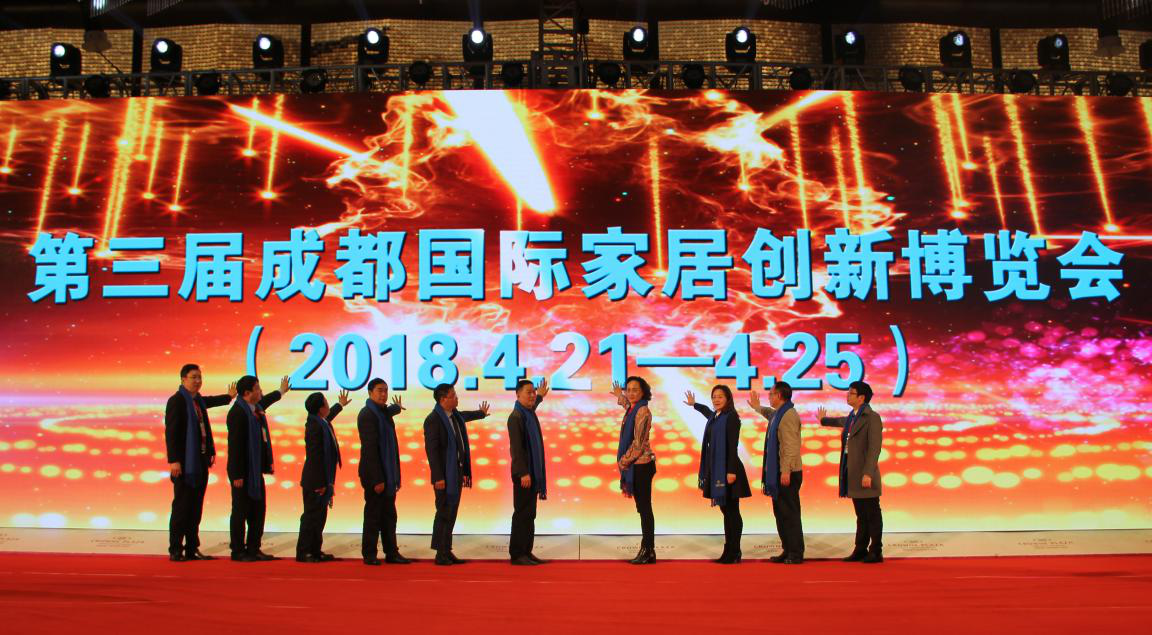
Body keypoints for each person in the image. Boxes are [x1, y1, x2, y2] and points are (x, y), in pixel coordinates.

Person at [164, 364, 236, 562]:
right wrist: (174, 461)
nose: (197, 381)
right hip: (184, 465)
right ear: (183, 379)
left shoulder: (198, 402)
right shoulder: (177, 401)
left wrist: (228, 397)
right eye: (193, 377)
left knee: (196, 508)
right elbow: (172, 433)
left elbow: (211, 401)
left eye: (199, 377)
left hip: (200, 462)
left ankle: (192, 548)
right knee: (182, 508)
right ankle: (176, 549)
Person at [818, 380, 885, 563]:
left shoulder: (872, 417)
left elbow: (874, 448)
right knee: (861, 514)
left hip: (865, 473)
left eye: (851, 393)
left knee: (872, 513)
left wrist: (868, 473)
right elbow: (840, 421)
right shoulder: (852, 417)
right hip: (852, 471)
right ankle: (860, 548)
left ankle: (876, 550)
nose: (847, 395)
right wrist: (823, 420)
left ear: (861, 397)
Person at [423, 383, 489, 565]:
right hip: (444, 476)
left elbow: (466, 416)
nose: (456, 398)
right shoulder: (433, 420)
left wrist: (481, 414)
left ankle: (446, 550)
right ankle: (440, 553)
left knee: (451, 512)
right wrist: (438, 477)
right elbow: (432, 452)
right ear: (443, 399)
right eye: (453, 395)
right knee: (444, 512)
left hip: (456, 472)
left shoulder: (455, 416)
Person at [226, 374, 289, 562]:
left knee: (258, 512)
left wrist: (281, 391)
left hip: (255, 473)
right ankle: (238, 551)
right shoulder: (238, 413)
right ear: (247, 393)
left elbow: (266, 400)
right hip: (242, 473)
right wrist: (237, 475)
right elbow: (235, 447)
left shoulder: (256, 409)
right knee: (240, 512)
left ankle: (254, 548)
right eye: (257, 389)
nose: (261, 391)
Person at [684, 385, 751, 564]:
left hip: (729, 470)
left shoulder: (731, 417)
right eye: (714, 397)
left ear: (728, 398)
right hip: (717, 469)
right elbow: (707, 412)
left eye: (720, 396)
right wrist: (694, 404)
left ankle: (734, 551)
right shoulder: (716, 417)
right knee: (726, 511)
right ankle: (729, 550)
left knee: (732, 512)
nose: (716, 400)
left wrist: (731, 471)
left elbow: (732, 446)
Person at [749, 381, 804, 564]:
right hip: (781, 472)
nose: (769, 397)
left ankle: (795, 553)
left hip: (787, 472)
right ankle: (787, 549)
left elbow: (791, 447)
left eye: (771, 394)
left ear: (779, 396)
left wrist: (785, 471)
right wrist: (757, 408)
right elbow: (769, 413)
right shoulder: (779, 413)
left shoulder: (788, 415)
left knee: (789, 514)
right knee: (781, 513)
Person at [358, 378, 412, 565]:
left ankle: (391, 553)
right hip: (375, 476)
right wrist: (377, 479)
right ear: (370, 392)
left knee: (389, 517)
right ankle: (369, 554)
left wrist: (397, 408)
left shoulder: (382, 413)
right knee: (373, 517)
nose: (383, 394)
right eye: (380, 390)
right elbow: (370, 450)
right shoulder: (367, 415)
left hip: (387, 475)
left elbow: (390, 410)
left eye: (386, 391)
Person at [295, 389, 350, 563]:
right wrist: (320, 482)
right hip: (315, 480)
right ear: (320, 408)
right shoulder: (314, 426)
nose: (328, 405)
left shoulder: (320, 421)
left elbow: (329, 416)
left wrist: (340, 405)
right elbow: (315, 456)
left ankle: (315, 550)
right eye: (326, 403)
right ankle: (304, 552)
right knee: (311, 517)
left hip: (322, 479)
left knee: (319, 517)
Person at [613, 376, 657, 565]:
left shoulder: (643, 411)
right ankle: (647, 550)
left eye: (635, 390)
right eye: (628, 390)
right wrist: (620, 396)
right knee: (642, 508)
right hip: (637, 465)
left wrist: (623, 461)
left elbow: (638, 444)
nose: (630, 393)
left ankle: (648, 550)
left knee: (645, 508)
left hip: (642, 465)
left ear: (643, 392)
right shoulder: (634, 408)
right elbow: (628, 407)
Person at [507, 377, 550, 565]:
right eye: (528, 393)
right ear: (518, 395)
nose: (532, 395)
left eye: (533, 392)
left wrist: (540, 396)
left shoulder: (528, 412)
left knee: (530, 514)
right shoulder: (516, 417)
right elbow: (516, 449)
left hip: (531, 473)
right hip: (523, 474)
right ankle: (517, 554)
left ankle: (526, 551)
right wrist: (523, 473)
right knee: (522, 514)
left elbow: (534, 403)